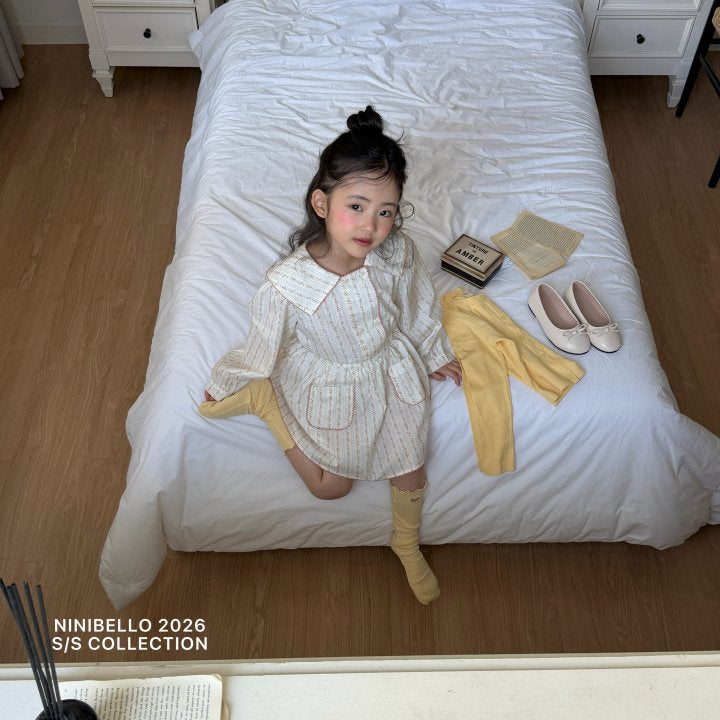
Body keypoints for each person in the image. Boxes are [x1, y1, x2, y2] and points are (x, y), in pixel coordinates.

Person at [199, 106, 462, 604]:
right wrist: (228, 381)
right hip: (333, 381)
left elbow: (417, 305)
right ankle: (264, 403)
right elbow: (261, 346)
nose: (371, 225)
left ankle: (406, 543)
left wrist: (432, 352)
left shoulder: (396, 253)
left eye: (385, 211)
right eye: (356, 206)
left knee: (411, 462)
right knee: (329, 488)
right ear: (321, 203)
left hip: (389, 370)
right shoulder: (288, 284)